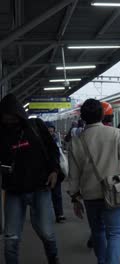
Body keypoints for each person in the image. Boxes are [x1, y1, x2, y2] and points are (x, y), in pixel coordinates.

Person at [67, 99, 120, 264]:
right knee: (114, 233)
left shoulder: (76, 141)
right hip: (114, 192)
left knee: (97, 232)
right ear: (103, 115)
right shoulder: (115, 133)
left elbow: (73, 173)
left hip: (89, 194)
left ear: (83, 117)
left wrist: (74, 197)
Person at [0, 94, 61, 264]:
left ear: (18, 113)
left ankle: (53, 258)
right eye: (4, 115)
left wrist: (54, 171)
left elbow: (52, 150)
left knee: (47, 232)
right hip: (13, 190)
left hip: (40, 187)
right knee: (11, 238)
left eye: (10, 115)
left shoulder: (36, 126)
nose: (8, 119)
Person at [46, 123, 67, 223]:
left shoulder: (57, 142)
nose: (50, 133)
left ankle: (59, 214)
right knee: (44, 196)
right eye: (48, 131)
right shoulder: (39, 142)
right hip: (43, 173)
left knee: (57, 194)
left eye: (51, 131)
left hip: (56, 172)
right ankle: (44, 215)